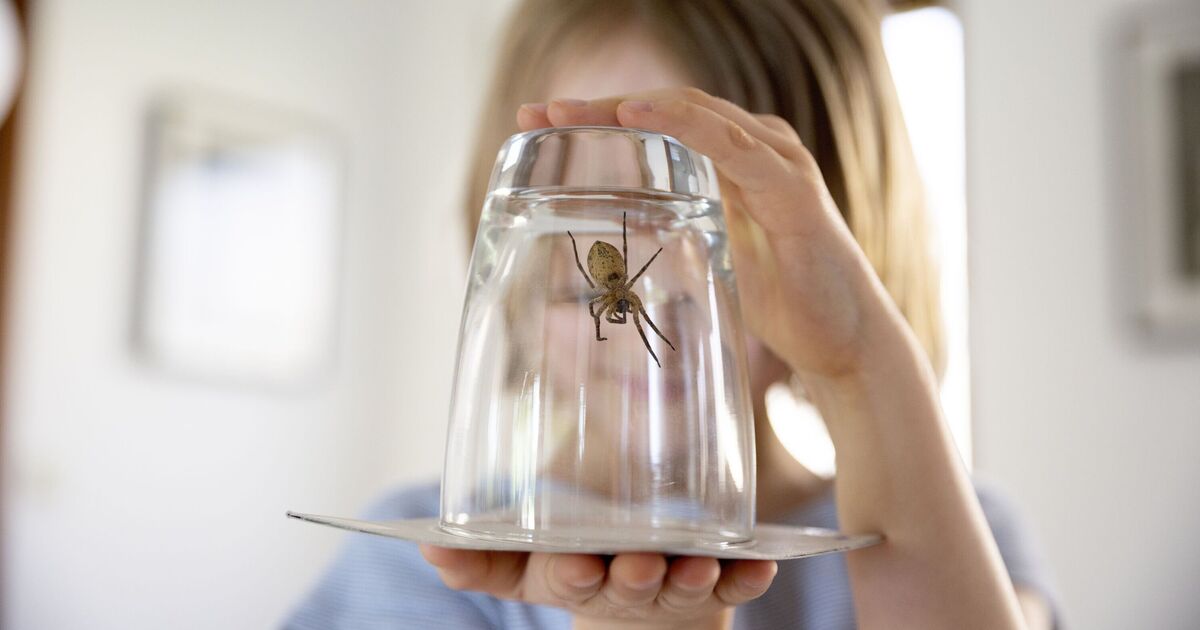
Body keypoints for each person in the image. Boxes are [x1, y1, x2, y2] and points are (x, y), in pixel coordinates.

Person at [285, 1, 1058, 628]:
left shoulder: (949, 528)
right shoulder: (414, 564)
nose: (665, 302)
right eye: (597, 206)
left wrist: (862, 363)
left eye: (718, 219)